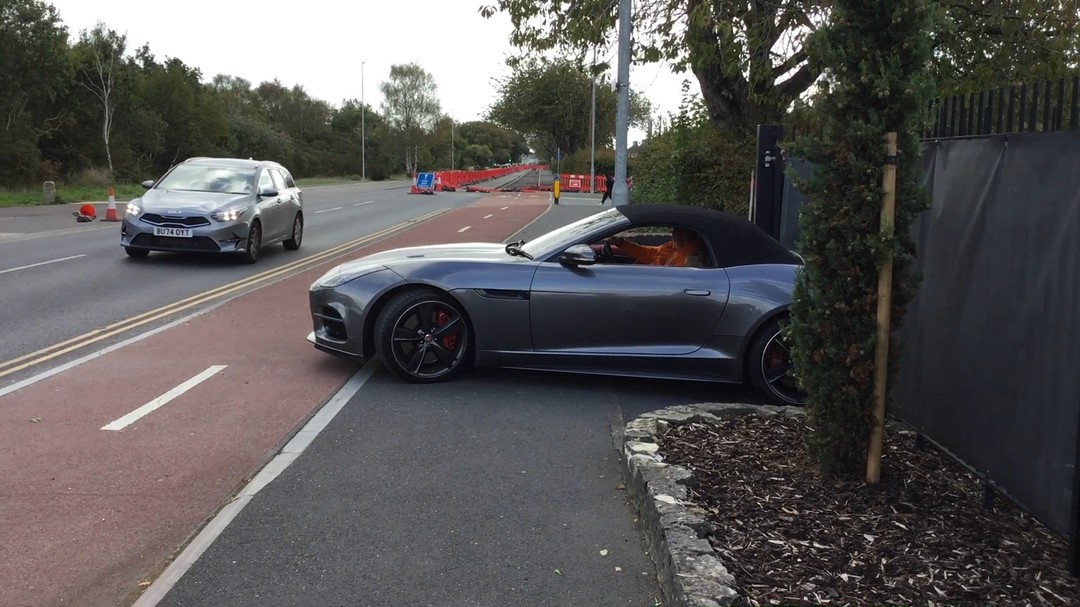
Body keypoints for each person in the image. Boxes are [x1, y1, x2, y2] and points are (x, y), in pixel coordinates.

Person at [608, 227, 708, 267]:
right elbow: (650, 254)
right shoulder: (673, 247)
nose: (676, 236)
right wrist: (621, 243)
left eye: (682, 232)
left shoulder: (694, 257)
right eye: (675, 231)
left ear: (693, 234)